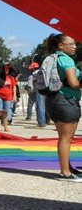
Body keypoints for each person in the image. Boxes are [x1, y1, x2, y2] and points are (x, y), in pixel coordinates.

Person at [43, 33, 82, 181]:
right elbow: (74, 84)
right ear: (61, 46)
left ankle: (68, 168)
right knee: (66, 138)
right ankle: (65, 173)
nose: (74, 47)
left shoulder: (53, 58)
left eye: (75, 44)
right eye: (71, 44)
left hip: (53, 100)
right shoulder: (66, 60)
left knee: (63, 138)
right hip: (66, 100)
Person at [0, 63, 17, 133]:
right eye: (5, 69)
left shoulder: (11, 77)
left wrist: (14, 95)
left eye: (8, 69)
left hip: (8, 96)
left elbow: (14, 87)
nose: (7, 70)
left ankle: (6, 126)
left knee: (5, 112)